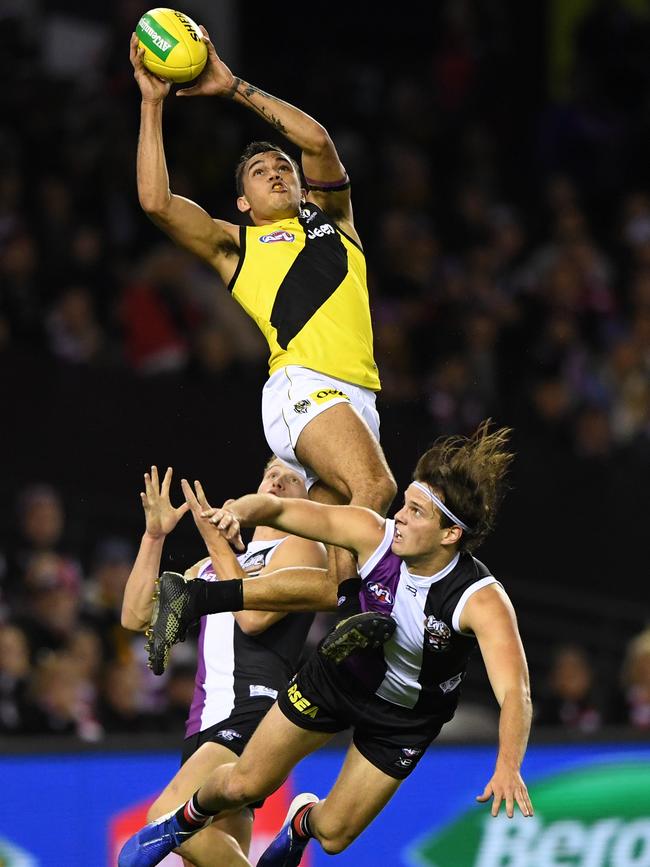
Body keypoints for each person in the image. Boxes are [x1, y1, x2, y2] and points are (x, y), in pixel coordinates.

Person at [118, 423, 534, 867]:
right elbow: (278, 510)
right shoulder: (372, 534)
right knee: (242, 785)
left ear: (449, 534)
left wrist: (508, 764)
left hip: (405, 717)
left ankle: (301, 825)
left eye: (415, 512)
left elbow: (515, 692)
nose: (399, 516)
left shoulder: (480, 598)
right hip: (339, 678)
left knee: (333, 836)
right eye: (405, 505)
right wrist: (240, 511)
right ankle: (184, 819)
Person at [129, 27, 398, 653]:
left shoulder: (337, 223)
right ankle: (363, 626)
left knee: (330, 580)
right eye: (259, 170)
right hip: (304, 387)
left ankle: (197, 595)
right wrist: (152, 103)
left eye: (282, 167)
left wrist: (234, 89)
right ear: (242, 202)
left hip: (357, 399)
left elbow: (318, 142)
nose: (277, 171)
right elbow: (156, 202)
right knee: (378, 493)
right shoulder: (237, 247)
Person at [120, 460, 327, 867]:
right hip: (202, 723)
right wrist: (154, 536)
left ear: (308, 501)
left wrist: (216, 543)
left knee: (165, 818)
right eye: (270, 473)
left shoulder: (303, 548)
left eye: (293, 478)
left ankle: (294, 835)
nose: (277, 481)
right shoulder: (214, 566)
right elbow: (136, 615)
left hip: (253, 712)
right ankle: (291, 836)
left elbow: (252, 618)